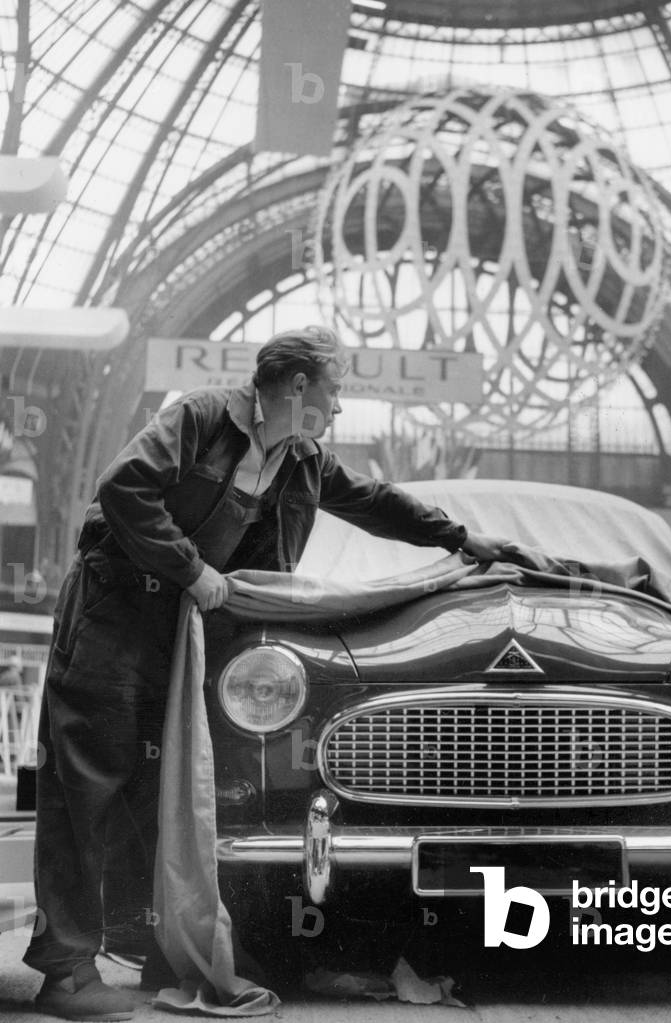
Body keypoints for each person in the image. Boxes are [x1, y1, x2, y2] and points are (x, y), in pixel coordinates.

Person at [25, 325, 509, 1021]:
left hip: (176, 634)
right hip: (113, 620)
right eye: (336, 390)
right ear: (300, 384)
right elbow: (124, 486)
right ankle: (66, 972)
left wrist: (459, 538)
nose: (338, 408)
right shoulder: (199, 417)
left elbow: (376, 501)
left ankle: (161, 948)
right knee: (89, 783)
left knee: (154, 791)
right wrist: (194, 570)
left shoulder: (300, 458)